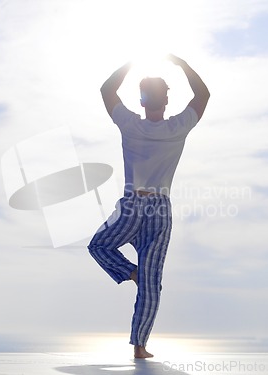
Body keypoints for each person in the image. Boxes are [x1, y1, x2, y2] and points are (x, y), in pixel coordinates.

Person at [88, 54, 210, 358]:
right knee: (151, 282)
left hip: (133, 204)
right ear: (166, 101)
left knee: (99, 246)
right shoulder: (178, 127)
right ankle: (139, 346)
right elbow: (203, 95)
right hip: (159, 209)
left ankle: (132, 273)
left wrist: (129, 63)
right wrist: (182, 66)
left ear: (141, 101)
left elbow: (106, 90)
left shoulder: (130, 124)